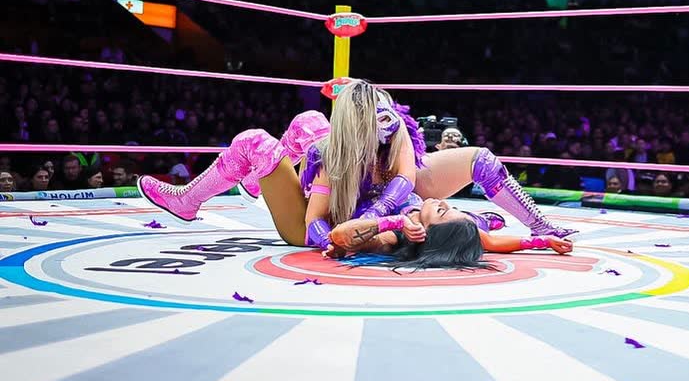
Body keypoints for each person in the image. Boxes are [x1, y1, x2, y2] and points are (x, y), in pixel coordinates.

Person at [139, 80, 574, 255]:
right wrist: (344, 236)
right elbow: (319, 226)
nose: (385, 128)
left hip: (375, 210)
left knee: (481, 159)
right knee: (280, 131)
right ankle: (198, 197)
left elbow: (406, 179)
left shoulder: (396, 135)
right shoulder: (335, 157)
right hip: (329, 218)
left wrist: (537, 235)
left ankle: (540, 217)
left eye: (388, 118)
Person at [322, 197, 574, 265]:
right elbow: (493, 243)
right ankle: (482, 218)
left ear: (426, 232)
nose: (442, 201)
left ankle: (483, 219)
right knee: (476, 223)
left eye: (441, 211)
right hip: (468, 222)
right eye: (448, 207)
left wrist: (396, 221)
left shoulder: (394, 237)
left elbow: (338, 235)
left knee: (476, 224)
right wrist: (544, 241)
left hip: (391, 207)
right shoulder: (458, 227)